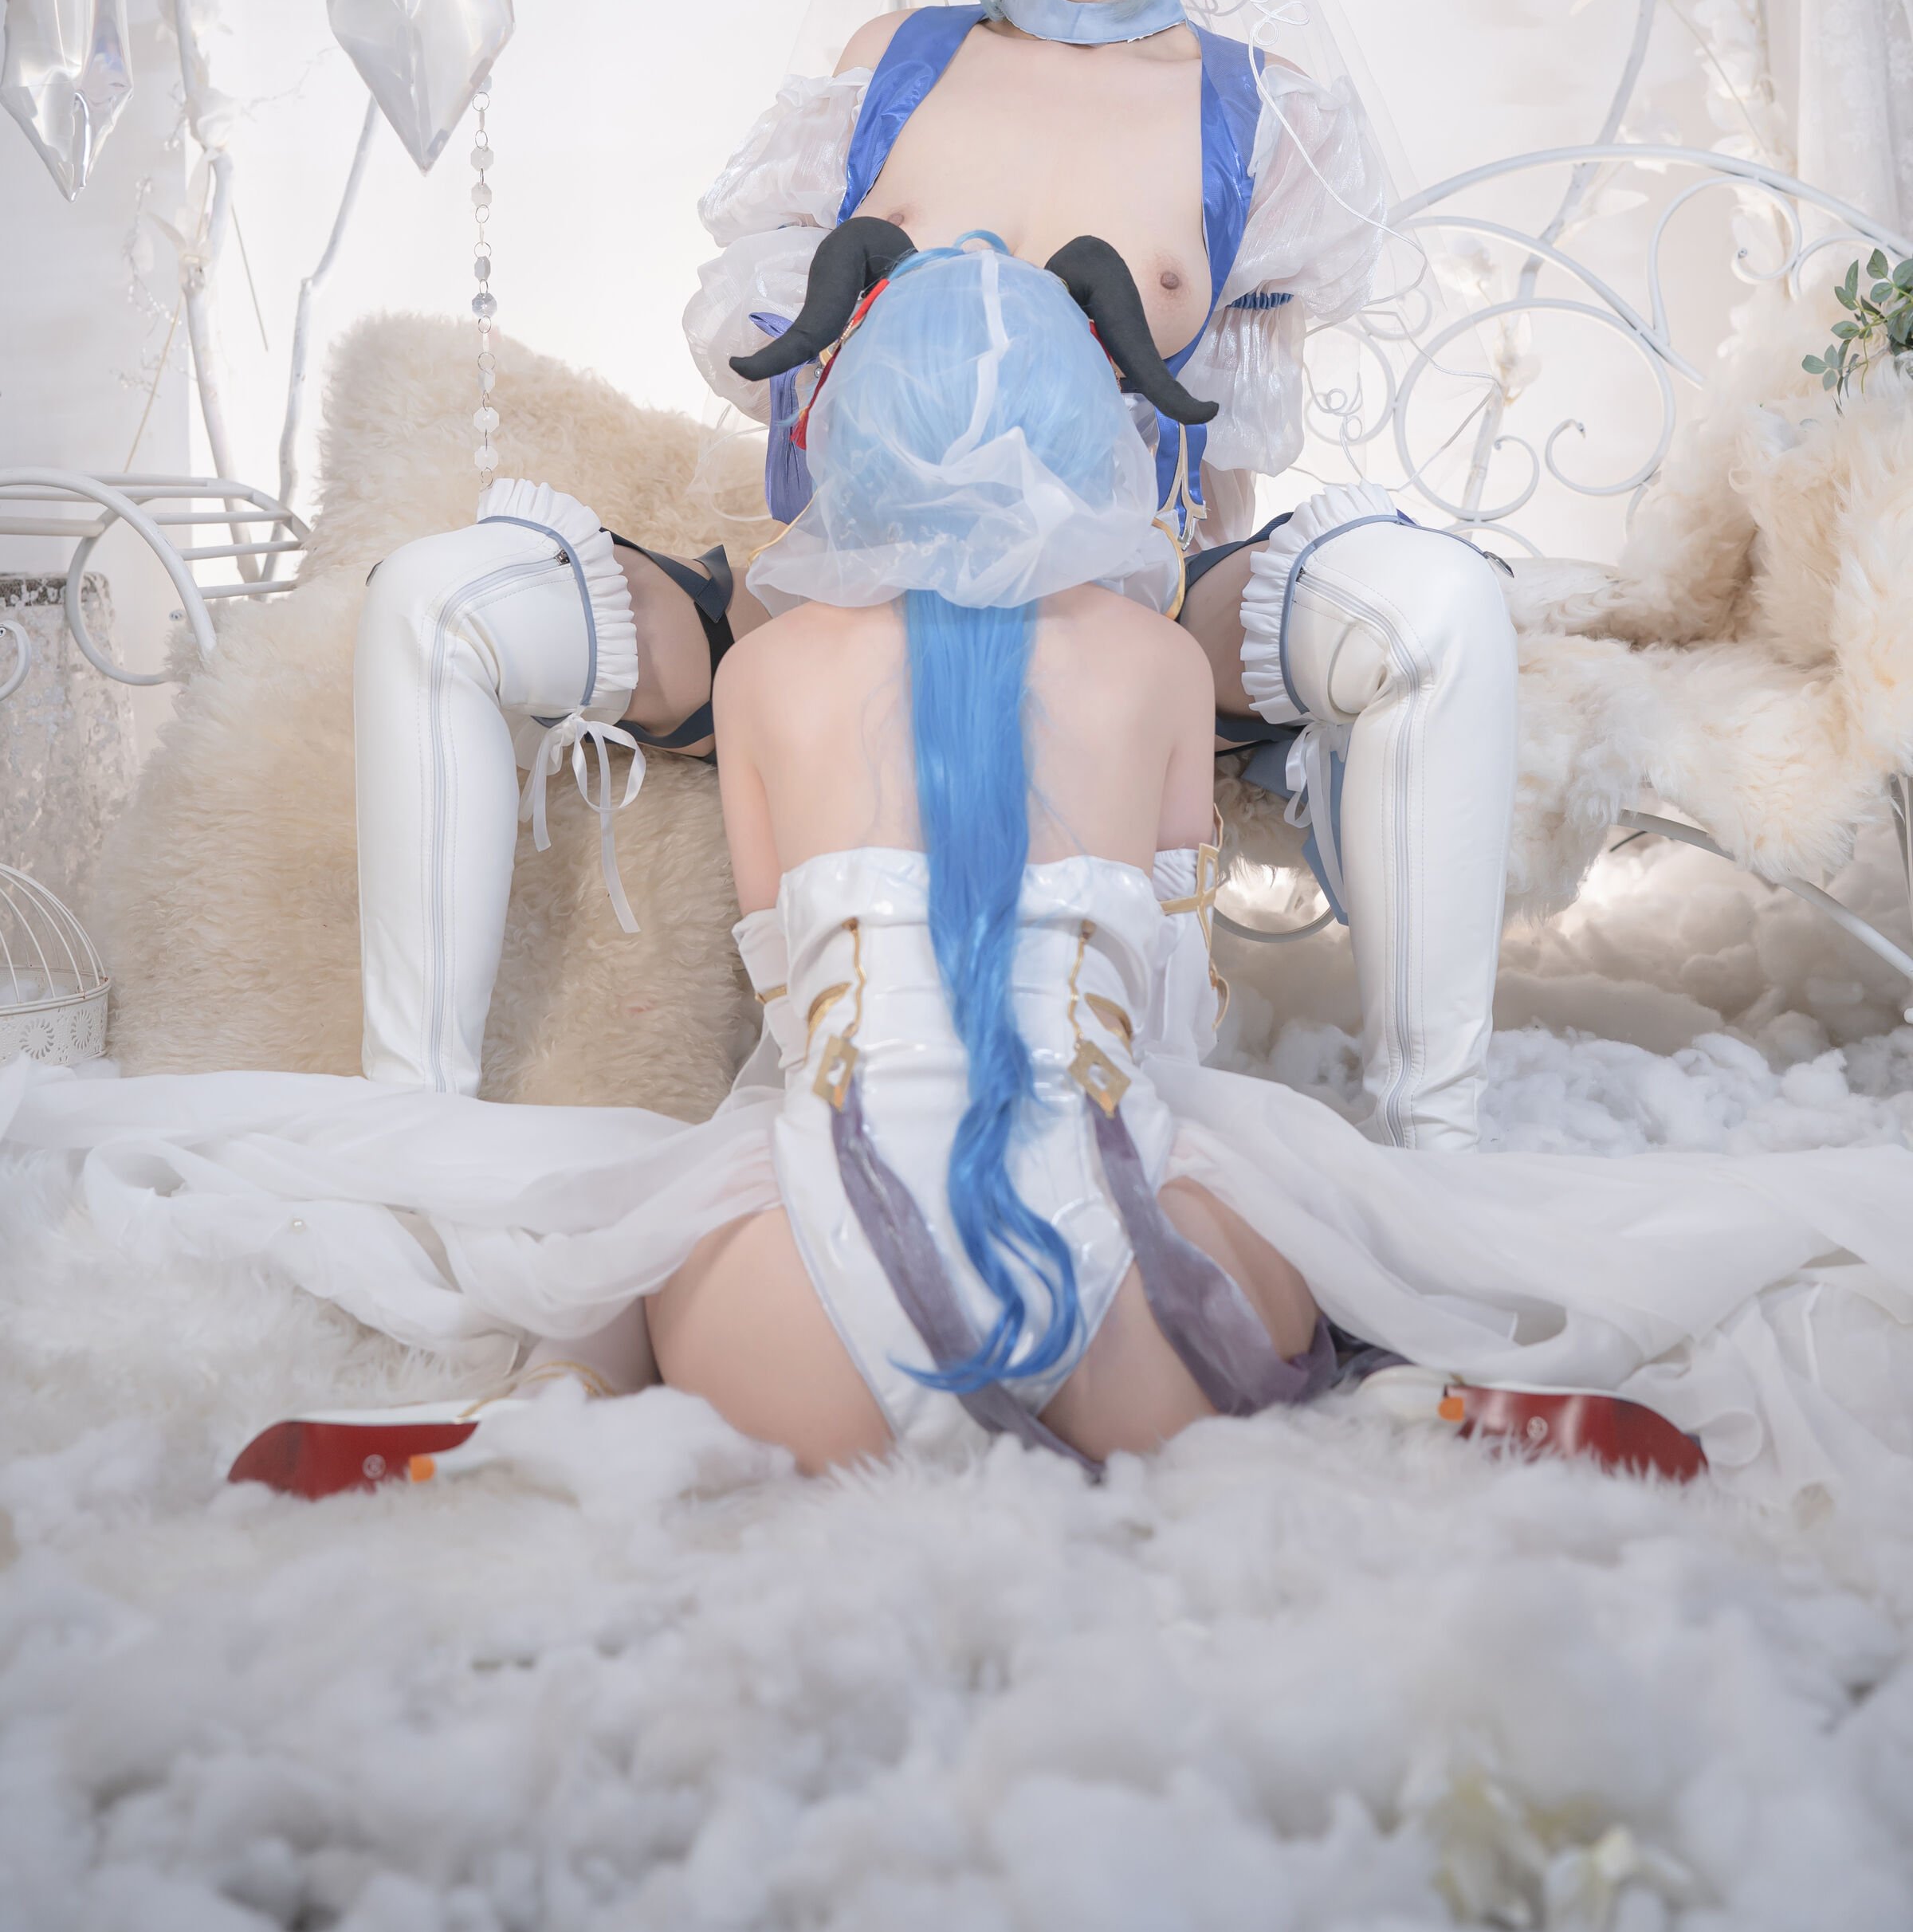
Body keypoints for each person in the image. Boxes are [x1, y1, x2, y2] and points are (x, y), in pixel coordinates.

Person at [13, 239, 1913, 1506]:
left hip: (812, 1316)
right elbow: (1172, 997)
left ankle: (546, 1426)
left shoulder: (771, 673)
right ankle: (1416, 1393)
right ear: (1092, 435)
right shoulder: (1151, 659)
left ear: (846, 433)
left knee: (622, 1274)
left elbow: (780, 995)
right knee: (1333, 1241)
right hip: (1138, 1301)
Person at [355, 0, 1516, 1152]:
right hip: (836, 596)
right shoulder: (891, 68)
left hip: (1126, 609)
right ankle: (409, 1134)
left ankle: (1440, 1143)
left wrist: (1131, 627)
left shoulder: (1260, 114)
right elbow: (770, 367)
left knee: (1439, 600)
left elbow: (1219, 445)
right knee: (436, 598)